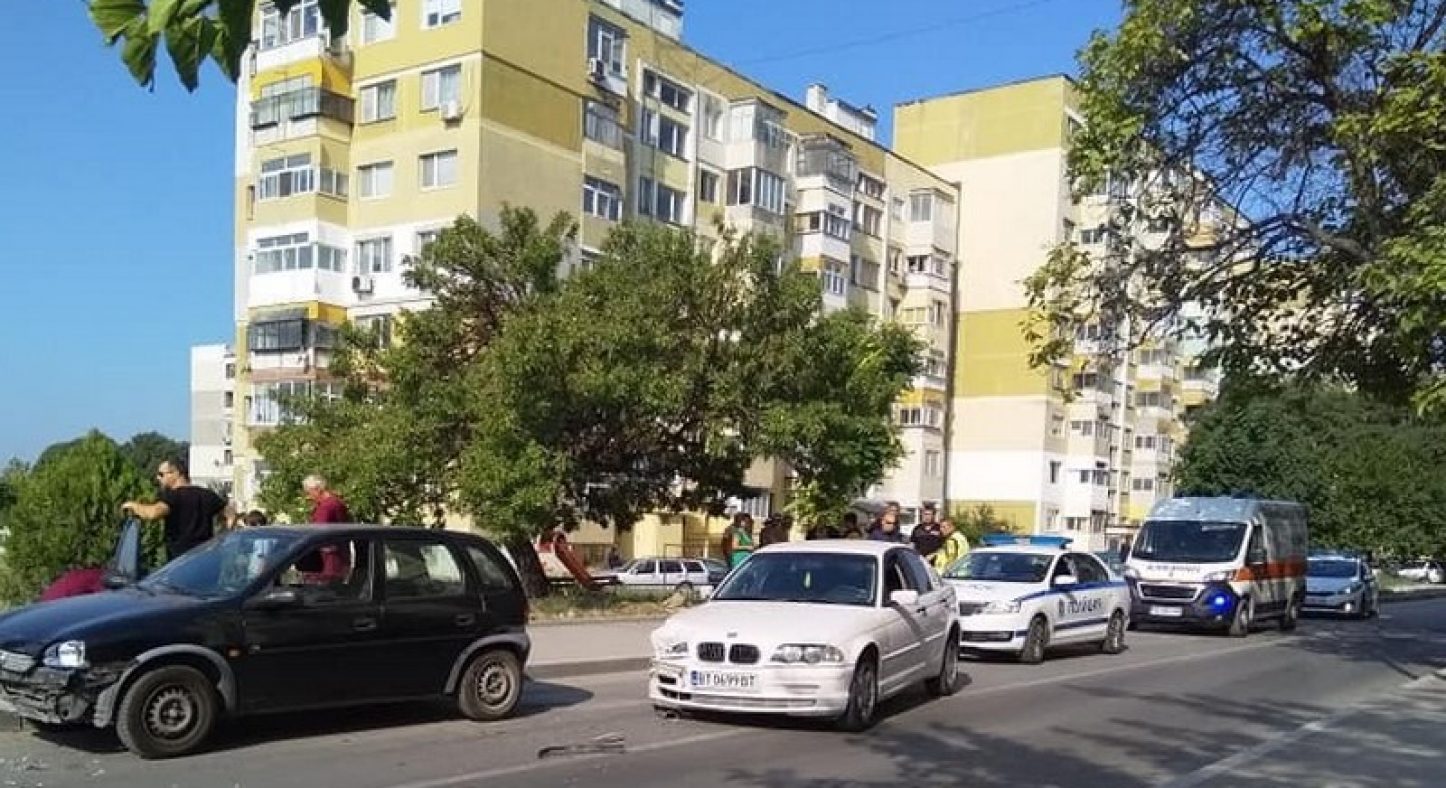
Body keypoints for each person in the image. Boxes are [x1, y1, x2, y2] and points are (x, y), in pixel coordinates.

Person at [123, 458, 233, 562]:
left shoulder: (173, 497)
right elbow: (231, 514)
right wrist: (222, 538)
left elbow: (153, 513)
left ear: (176, 473)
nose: (158, 478)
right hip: (206, 561)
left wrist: (132, 505)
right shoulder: (207, 495)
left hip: (180, 565)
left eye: (161, 474)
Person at [303, 475, 351, 583]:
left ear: (317, 489)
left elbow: (317, 533)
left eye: (309, 492)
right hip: (338, 561)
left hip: (325, 564)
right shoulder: (337, 503)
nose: (308, 497)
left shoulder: (326, 507)